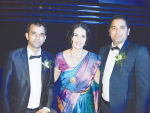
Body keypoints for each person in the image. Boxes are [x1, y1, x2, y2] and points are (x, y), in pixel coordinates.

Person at [98, 14, 150, 113]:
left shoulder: (139, 51)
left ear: (128, 31)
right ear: (109, 32)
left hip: (126, 109)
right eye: (114, 28)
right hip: (103, 107)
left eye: (122, 28)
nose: (118, 31)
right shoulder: (103, 50)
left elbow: (144, 90)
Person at [1, 20, 55, 113]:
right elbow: (5, 90)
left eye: (41, 34)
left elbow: (50, 86)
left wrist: (46, 108)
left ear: (45, 38)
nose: (37, 37)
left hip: (40, 109)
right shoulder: (13, 56)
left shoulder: (50, 58)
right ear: (27, 35)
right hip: (17, 110)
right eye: (34, 33)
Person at [54, 21, 101, 113]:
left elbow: (101, 83)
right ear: (71, 37)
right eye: (76, 35)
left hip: (86, 102)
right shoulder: (60, 57)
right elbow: (50, 81)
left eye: (83, 36)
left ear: (86, 39)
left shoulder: (94, 59)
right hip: (65, 102)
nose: (79, 39)